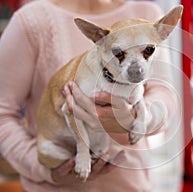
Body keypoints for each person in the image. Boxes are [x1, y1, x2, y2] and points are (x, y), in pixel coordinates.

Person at [0, 0, 179, 191]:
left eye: (148, 50)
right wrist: (45, 170)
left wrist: (136, 119)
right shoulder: (31, 21)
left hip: (132, 185)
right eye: (119, 53)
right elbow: (3, 114)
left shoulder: (146, 12)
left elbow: (163, 95)